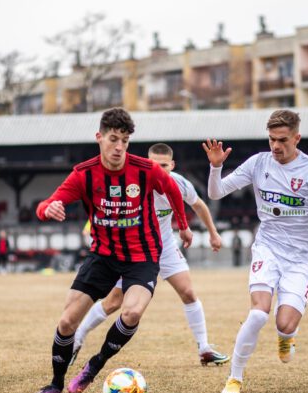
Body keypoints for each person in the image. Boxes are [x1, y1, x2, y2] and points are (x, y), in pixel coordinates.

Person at [31, 108, 192, 393]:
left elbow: (172, 190)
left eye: (125, 141)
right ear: (100, 137)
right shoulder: (83, 174)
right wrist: (47, 209)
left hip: (142, 256)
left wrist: (183, 225)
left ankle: (95, 365)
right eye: (113, 139)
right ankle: (55, 385)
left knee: (131, 313)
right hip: (103, 256)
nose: (119, 147)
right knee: (67, 323)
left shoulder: (146, 169)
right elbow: (46, 204)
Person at [202, 109, 308, 393]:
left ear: (297, 138)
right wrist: (215, 168)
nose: (275, 145)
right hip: (267, 249)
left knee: (284, 324)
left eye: (282, 140)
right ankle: (234, 378)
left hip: (300, 258)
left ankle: (287, 337)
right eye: (272, 139)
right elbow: (216, 193)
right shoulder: (258, 163)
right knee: (258, 313)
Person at [71, 143, 228, 368]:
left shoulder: (180, 184)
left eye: (163, 165)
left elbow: (199, 205)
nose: (158, 169)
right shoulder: (133, 184)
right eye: (153, 164)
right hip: (136, 250)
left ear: (172, 165)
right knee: (113, 302)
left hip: (165, 247)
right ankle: (78, 337)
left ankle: (204, 348)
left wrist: (213, 234)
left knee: (188, 293)